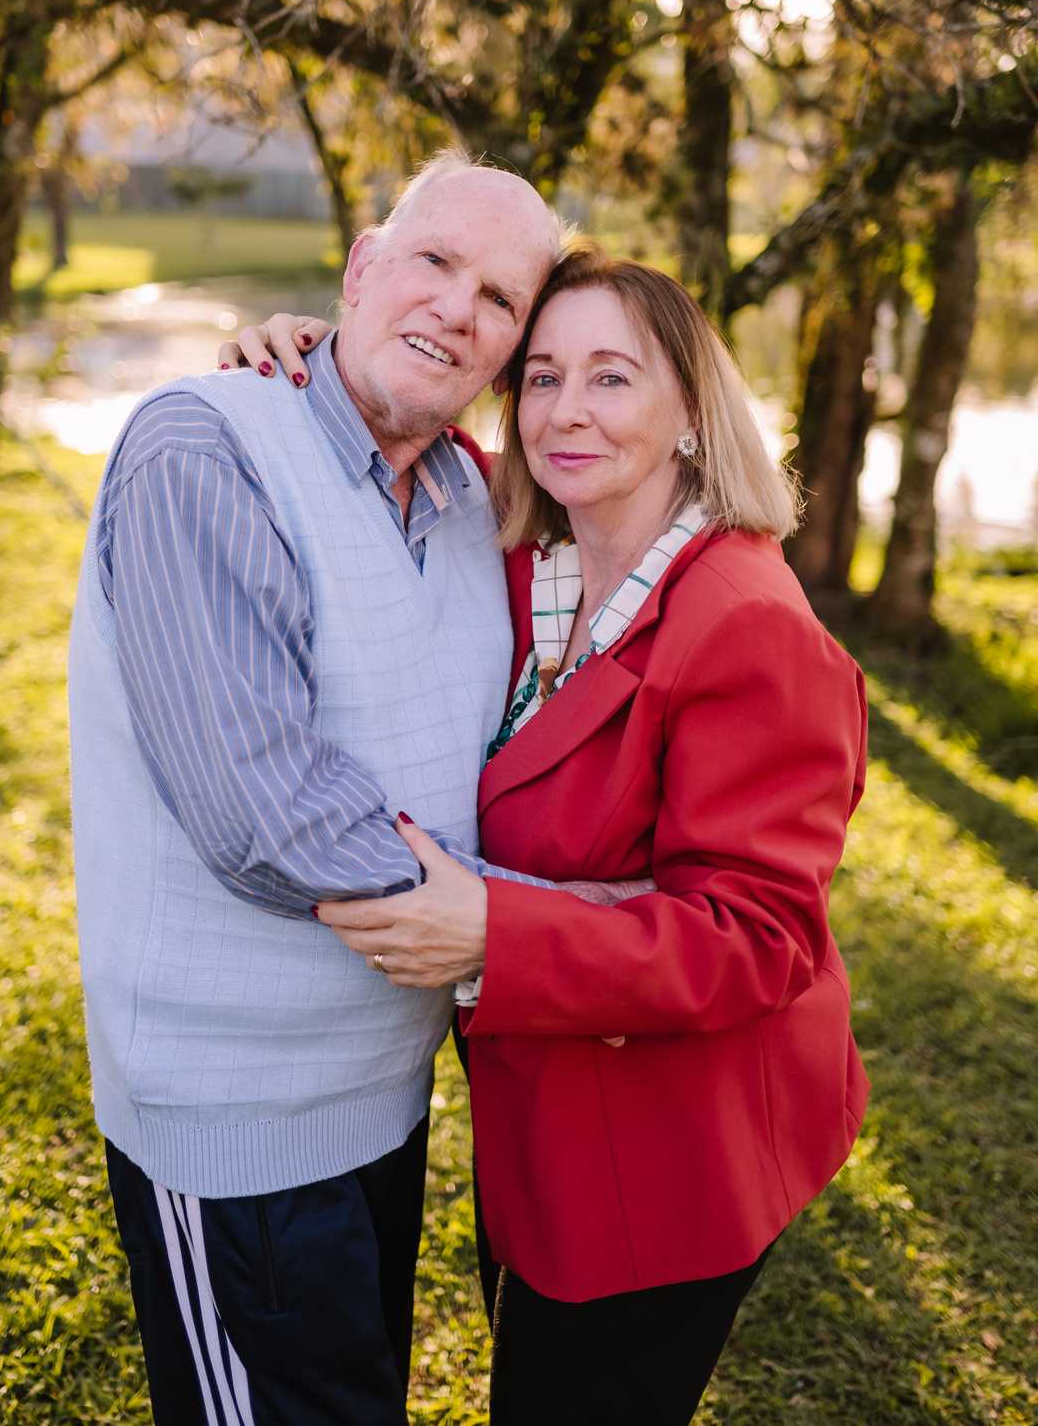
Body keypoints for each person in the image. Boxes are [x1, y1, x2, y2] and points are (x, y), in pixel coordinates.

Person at [313, 245, 870, 1426]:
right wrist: (304, 350)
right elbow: (403, 423)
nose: (568, 411)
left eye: (612, 378)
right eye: (544, 376)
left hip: (669, 1158)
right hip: (552, 1124)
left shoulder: (747, 628)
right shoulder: (538, 559)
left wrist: (489, 934)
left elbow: (758, 937)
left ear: (688, 412)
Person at [67, 149, 564, 1426]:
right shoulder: (205, 444)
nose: (460, 308)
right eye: (434, 262)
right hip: (233, 1119)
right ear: (358, 268)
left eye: (501, 300)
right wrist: (543, 933)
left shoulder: (469, 498)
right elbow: (262, 809)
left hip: (383, 1099)